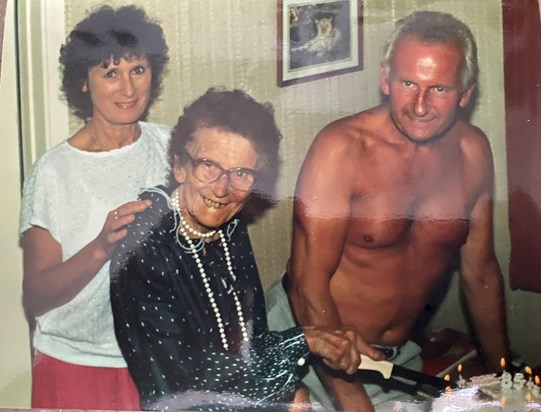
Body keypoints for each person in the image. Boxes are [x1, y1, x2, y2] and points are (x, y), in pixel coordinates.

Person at [266, 10, 510, 411]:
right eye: (408, 83)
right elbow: (306, 286)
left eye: (440, 89)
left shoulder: (473, 152)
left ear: (466, 93)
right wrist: (353, 401)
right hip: (306, 347)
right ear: (385, 79)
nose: (419, 105)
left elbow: (480, 272)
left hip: (389, 360)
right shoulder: (341, 150)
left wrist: (504, 376)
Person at [110, 88, 381, 411]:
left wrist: (315, 344)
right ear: (180, 164)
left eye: (241, 173)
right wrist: (304, 341)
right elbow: (188, 377)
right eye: (208, 165)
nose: (222, 188)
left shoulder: (230, 230)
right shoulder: (144, 240)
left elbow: (248, 349)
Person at [19, 5, 170, 410]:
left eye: (137, 70)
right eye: (110, 73)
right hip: (75, 364)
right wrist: (101, 247)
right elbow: (35, 295)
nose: (128, 89)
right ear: (83, 82)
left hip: (159, 358)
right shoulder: (53, 172)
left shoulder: (173, 149)